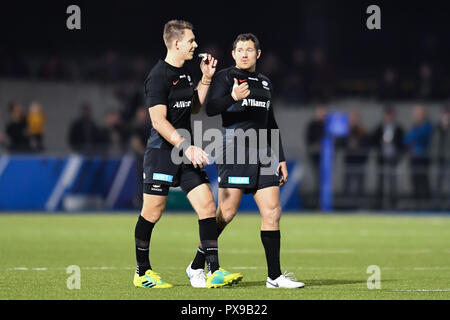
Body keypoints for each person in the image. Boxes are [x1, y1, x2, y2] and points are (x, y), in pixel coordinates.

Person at [133, 20, 242, 289]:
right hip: (162, 152)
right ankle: (142, 272)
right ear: (177, 43)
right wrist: (186, 145)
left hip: (184, 152)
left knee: (207, 205)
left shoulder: (185, 74)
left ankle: (211, 270)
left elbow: (192, 107)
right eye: (191, 41)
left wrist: (205, 78)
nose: (196, 45)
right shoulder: (157, 76)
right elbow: (158, 121)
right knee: (153, 211)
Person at [190, 33, 304, 289]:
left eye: (249, 50)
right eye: (239, 49)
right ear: (233, 54)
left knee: (273, 211)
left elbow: (270, 122)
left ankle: (274, 277)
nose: (244, 53)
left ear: (258, 54)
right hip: (234, 150)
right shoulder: (225, 77)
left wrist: (281, 158)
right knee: (227, 213)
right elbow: (210, 109)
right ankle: (197, 263)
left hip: (262, 153)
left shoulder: (265, 83)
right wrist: (232, 97)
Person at [371, 107, 404, 209]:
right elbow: (373, 140)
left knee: (393, 182)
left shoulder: (398, 129)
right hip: (382, 158)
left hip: (393, 159)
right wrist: (380, 143)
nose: (389, 117)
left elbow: (402, 142)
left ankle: (393, 204)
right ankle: (379, 204)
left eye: (391, 115)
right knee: (380, 181)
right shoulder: (379, 128)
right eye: (387, 115)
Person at [337, 110, 370, 208]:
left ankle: (360, 205)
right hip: (349, 161)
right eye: (353, 118)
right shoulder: (346, 131)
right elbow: (340, 144)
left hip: (360, 161)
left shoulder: (362, 131)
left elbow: (367, 144)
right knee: (348, 185)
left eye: (356, 118)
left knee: (360, 185)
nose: (354, 120)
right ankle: (347, 206)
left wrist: (358, 148)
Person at [403, 105, 433, 206]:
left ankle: (426, 204)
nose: (415, 116)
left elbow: (417, 136)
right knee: (415, 181)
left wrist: (412, 137)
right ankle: (417, 204)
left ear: (423, 115)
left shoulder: (427, 126)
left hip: (423, 158)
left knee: (423, 181)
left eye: (417, 114)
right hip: (414, 159)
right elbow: (406, 140)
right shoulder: (415, 127)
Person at [305, 105, 327, 208]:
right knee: (318, 181)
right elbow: (309, 142)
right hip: (316, 157)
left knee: (323, 181)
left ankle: (323, 202)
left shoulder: (327, 125)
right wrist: (316, 147)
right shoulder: (313, 125)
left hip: (326, 158)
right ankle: (317, 203)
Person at [431, 107, 450, 209]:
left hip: (448, 159)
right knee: (437, 184)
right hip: (439, 159)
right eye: (445, 114)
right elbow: (434, 143)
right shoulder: (437, 127)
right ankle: (436, 205)